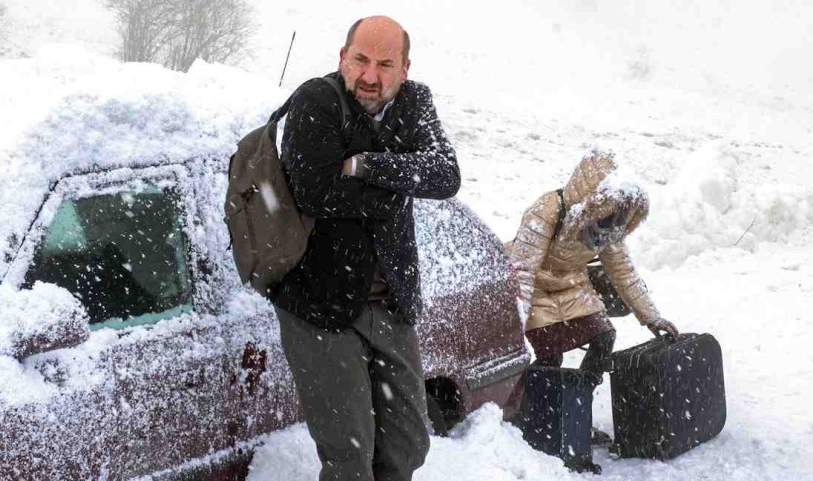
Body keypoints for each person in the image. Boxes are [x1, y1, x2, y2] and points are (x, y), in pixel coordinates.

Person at [270, 16, 460, 481]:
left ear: (404, 70)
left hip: (389, 302)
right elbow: (315, 193)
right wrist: (395, 183)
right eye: (360, 60)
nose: (370, 76)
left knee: (408, 443)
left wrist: (364, 164)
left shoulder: (414, 103)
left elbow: (444, 176)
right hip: (320, 304)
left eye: (384, 64)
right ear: (343, 57)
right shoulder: (316, 101)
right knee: (349, 456)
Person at [505, 149, 678, 410]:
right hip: (535, 289)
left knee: (603, 337)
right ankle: (526, 410)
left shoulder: (612, 221)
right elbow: (523, 271)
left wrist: (651, 317)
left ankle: (577, 408)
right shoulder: (547, 210)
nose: (612, 225)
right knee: (550, 357)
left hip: (573, 285)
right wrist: (514, 322)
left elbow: (623, 271)